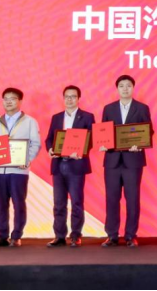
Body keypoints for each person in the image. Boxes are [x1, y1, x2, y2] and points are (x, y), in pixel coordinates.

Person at [0, 88, 41, 247]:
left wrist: (27, 160)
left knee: (18, 203)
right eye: (6, 99)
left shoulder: (30, 122)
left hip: (18, 170)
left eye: (12, 99)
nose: (9, 102)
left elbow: (36, 144)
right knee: (0, 204)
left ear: (20, 101)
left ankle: (16, 236)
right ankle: (2, 236)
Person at [100, 75, 152, 248]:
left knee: (132, 199)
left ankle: (131, 235)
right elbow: (103, 131)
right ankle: (112, 235)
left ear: (133, 88)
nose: (125, 89)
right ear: (117, 89)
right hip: (112, 161)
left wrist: (140, 144)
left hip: (133, 160)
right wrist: (102, 144)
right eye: (121, 86)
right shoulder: (109, 108)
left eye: (128, 86)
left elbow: (148, 131)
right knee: (111, 199)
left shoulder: (142, 108)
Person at [44, 85, 95, 248]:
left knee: (76, 202)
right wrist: (50, 149)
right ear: (63, 98)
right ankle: (59, 236)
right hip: (58, 165)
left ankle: (75, 235)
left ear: (79, 99)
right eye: (67, 96)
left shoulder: (87, 117)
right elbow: (49, 139)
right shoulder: (56, 117)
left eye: (73, 96)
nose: (70, 99)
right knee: (58, 203)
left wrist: (80, 151)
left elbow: (91, 139)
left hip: (76, 165)